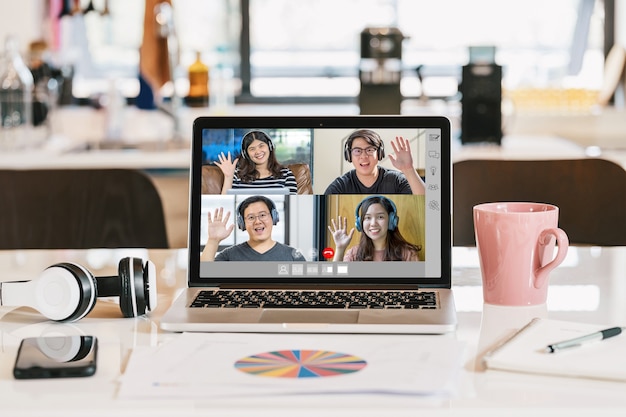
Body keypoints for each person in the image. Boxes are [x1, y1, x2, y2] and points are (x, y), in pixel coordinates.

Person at [201, 195, 306, 261]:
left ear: (273, 217)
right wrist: (213, 241)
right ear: (242, 223)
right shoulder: (229, 255)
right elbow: (204, 275)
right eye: (251, 217)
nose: (257, 221)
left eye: (263, 215)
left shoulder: (293, 256)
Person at [324, 129, 425, 195]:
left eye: (370, 150)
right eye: (357, 151)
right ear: (349, 155)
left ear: (380, 153)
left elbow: (427, 204)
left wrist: (408, 169)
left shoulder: (397, 181)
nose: (363, 156)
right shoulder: (340, 186)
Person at [328, 195, 421, 262]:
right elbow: (336, 282)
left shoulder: (407, 254)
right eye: (368, 218)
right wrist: (340, 249)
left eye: (380, 217)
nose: (373, 223)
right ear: (360, 223)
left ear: (392, 221)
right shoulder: (354, 254)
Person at [215, 130, 298, 194]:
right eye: (252, 149)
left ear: (270, 147)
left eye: (261, 146)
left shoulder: (286, 174)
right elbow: (224, 205)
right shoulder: (237, 175)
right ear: (246, 154)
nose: (258, 152)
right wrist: (228, 177)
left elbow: (293, 204)